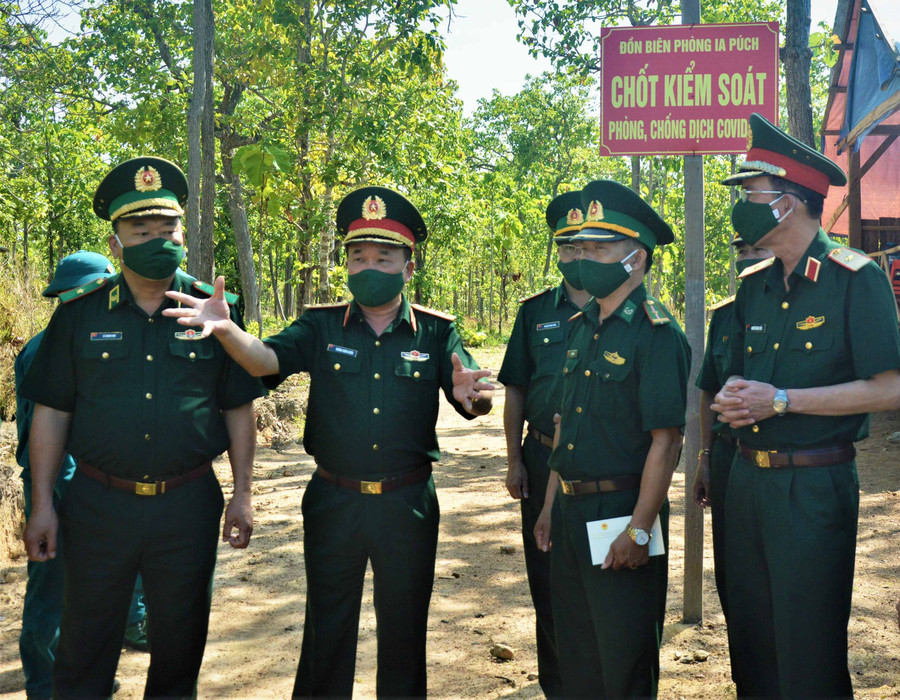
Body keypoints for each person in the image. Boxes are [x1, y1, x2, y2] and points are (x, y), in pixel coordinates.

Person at [163, 185, 494, 697]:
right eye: (358, 256)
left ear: (409, 268)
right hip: (333, 500)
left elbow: (470, 393)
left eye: (383, 257)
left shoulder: (433, 332)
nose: (368, 267)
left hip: (407, 504)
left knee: (404, 631)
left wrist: (472, 394)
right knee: (327, 628)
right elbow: (266, 361)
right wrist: (227, 331)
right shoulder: (319, 325)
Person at [19, 156, 264, 698]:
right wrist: (42, 503)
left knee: (178, 650)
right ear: (117, 241)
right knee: (84, 648)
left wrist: (243, 494)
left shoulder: (214, 310)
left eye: (168, 228)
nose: (158, 239)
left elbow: (238, 407)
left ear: (184, 231)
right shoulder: (80, 314)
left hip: (188, 503)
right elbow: (52, 412)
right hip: (98, 506)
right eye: (141, 229)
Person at [711, 112, 900, 698]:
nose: (741, 202)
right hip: (745, 484)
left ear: (787, 203)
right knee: (752, 643)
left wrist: (784, 401)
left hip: (813, 490)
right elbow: (743, 381)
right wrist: (735, 398)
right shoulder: (753, 285)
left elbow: (891, 387)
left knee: (808, 651)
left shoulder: (855, 278)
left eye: (751, 192)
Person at [533, 179, 690, 698]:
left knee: (623, 661)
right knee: (576, 657)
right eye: (581, 246)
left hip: (623, 511)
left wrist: (641, 530)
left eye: (600, 247)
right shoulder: (581, 326)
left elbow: (666, 442)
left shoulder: (656, 332)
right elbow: (567, 429)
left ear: (635, 259)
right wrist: (550, 505)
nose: (584, 256)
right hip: (572, 514)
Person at [16, 251, 150, 699]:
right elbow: (42, 432)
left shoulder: (106, 336)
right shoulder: (46, 347)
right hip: (57, 486)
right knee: (51, 593)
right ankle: (45, 684)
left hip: (98, 484)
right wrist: (49, 502)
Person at [497, 190, 591, 697]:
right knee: (548, 579)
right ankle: (558, 685)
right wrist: (514, 459)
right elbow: (516, 389)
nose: (578, 256)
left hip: (602, 462)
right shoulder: (535, 313)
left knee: (601, 576)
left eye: (586, 245)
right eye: (568, 247)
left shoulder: (618, 309)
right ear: (556, 251)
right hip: (542, 453)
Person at [692, 237, 772, 626]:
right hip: (726, 456)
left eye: (758, 251)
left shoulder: (789, 313)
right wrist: (705, 458)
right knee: (730, 567)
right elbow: (708, 389)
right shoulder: (724, 316)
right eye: (742, 252)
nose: (748, 259)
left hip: (773, 457)